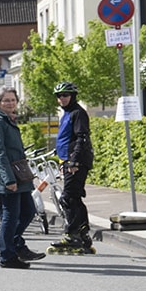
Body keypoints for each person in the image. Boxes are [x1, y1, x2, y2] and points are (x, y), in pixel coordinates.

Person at [0, 88, 42, 270]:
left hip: (19, 175)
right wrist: (8, 179)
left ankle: (14, 243)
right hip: (7, 177)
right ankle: (7, 255)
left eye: (13, 100)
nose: (10, 103)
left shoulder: (8, 120)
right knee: (10, 216)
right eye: (6, 100)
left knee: (28, 211)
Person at [50, 81, 96, 254]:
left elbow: (81, 138)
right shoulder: (68, 113)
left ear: (73, 96)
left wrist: (74, 161)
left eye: (65, 95)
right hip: (68, 160)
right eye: (59, 96)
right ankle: (83, 234)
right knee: (74, 197)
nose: (61, 99)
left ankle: (72, 235)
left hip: (76, 162)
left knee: (67, 198)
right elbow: (67, 138)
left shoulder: (78, 113)